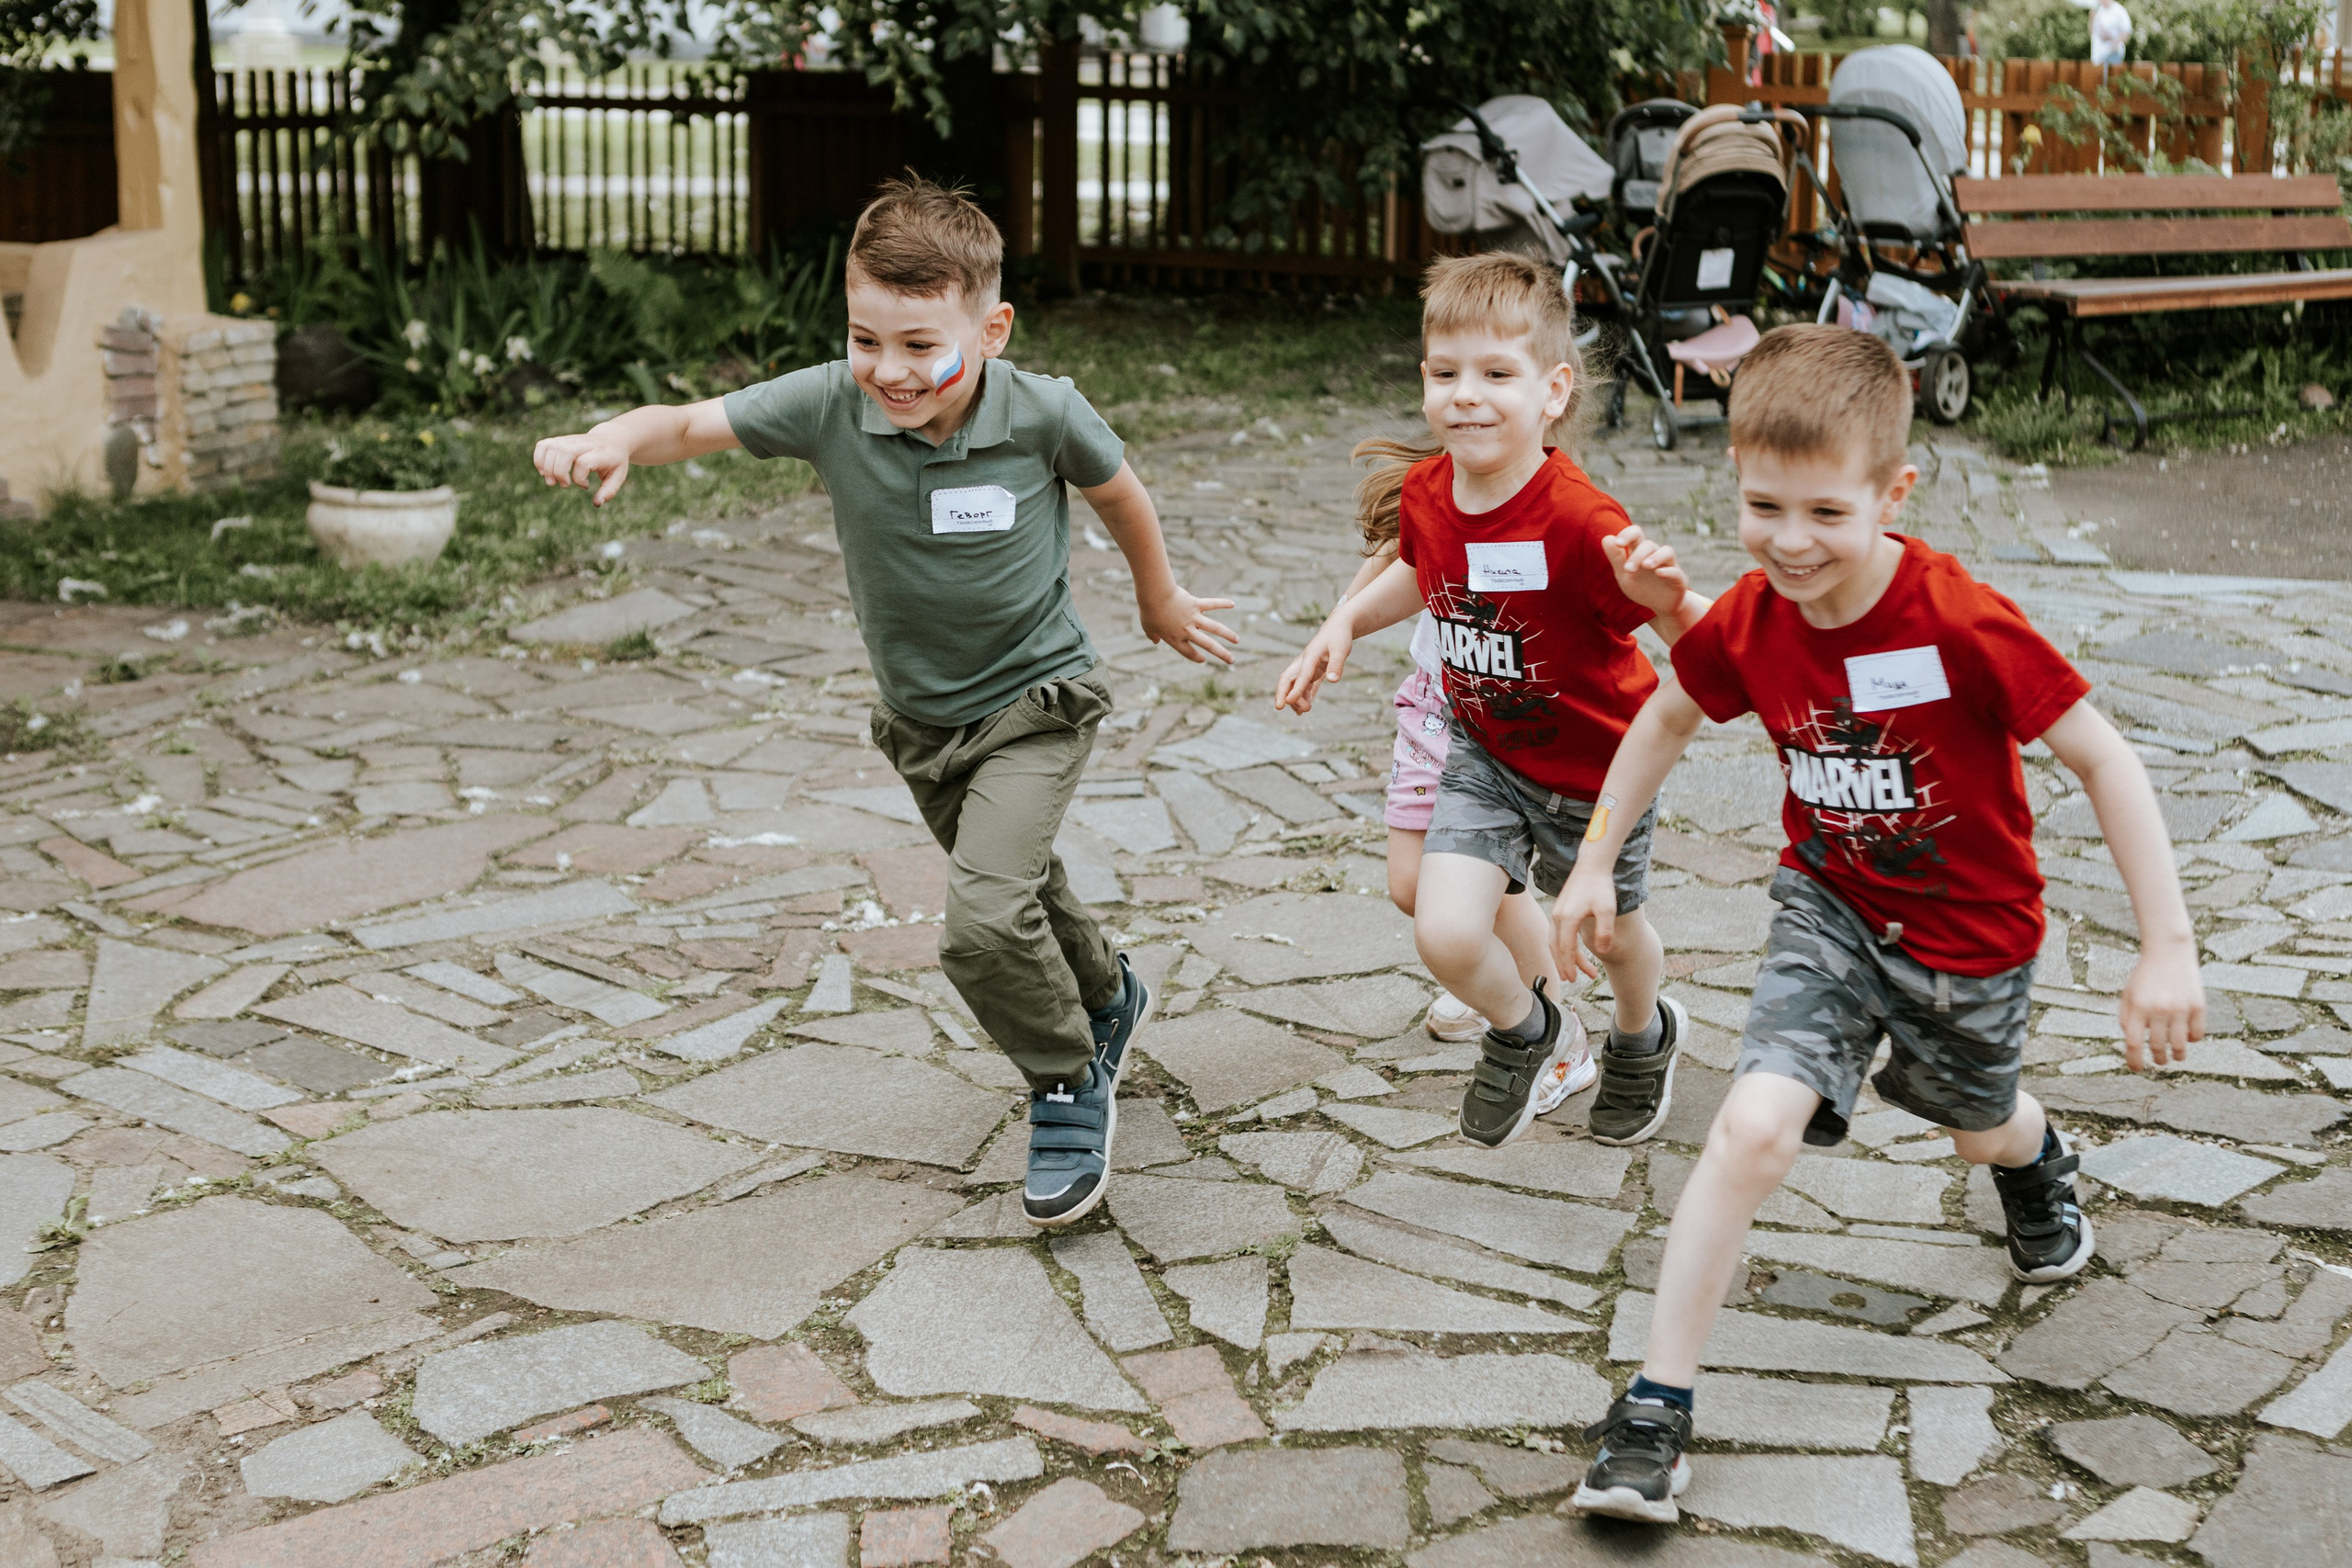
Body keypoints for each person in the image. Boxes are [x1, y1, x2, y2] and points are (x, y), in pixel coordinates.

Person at [1555, 325, 2204, 1524]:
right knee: (1752, 1124)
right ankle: (1653, 1405)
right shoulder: (1752, 617)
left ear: (1892, 493)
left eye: (1824, 511)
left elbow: (2105, 759)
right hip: (1831, 913)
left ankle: (2036, 1151)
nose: (1789, 541)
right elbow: (1662, 720)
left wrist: (2167, 945)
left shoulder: (1959, 618)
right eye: (1762, 505)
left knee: (1976, 1127)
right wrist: (1594, 862)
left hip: (1973, 937)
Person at [531, 177, 1238, 1228]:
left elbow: (1119, 493)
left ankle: (1063, 1080)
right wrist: (616, 439)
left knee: (980, 924)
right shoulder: (829, 402)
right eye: (867, 339)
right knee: (1023, 885)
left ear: (990, 329)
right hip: (923, 722)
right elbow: (686, 422)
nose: (889, 371)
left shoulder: (1043, 411)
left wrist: (1158, 597)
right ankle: (1103, 999)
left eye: (919, 345)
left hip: (1040, 702)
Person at [1276, 251, 1713, 1151]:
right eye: (1445, 374)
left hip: (1599, 774)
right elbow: (1414, 568)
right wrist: (1342, 626)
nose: (1464, 396)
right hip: (1487, 756)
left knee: (1616, 936)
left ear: (1552, 391)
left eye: (1494, 375)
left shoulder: (1581, 521)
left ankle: (1642, 1036)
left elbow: (1694, 639)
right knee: (1440, 928)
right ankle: (1528, 1029)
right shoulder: (1432, 492)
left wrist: (1667, 595)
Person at [1279, 502, 1590, 1118]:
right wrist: (1336, 624)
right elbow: (1402, 548)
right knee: (1411, 882)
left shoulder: (1548, 500)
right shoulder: (1436, 482)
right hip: (1431, 701)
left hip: (1493, 710)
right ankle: (1492, 976)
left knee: (1488, 879)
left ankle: (1560, 1035)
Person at [2089, 0, 2132, 64]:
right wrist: (2091, 20)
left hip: (2112, 55)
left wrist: (2113, 45)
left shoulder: (2119, 10)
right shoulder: (2099, 10)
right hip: (2097, 56)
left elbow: (2126, 33)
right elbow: (2091, 32)